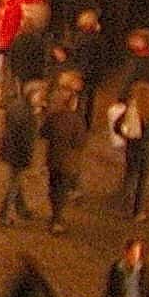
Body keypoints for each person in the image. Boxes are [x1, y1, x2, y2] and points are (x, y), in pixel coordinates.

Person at [116, 80, 149, 220]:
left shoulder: (131, 109)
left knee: (130, 175)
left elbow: (117, 126)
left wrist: (125, 134)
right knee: (143, 180)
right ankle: (138, 211)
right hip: (147, 148)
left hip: (132, 146)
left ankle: (124, 206)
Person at [44, 86, 88, 235]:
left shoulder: (54, 117)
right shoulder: (77, 121)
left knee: (53, 187)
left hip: (52, 159)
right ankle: (57, 219)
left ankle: (54, 213)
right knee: (62, 191)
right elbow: (80, 142)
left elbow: (43, 132)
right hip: (67, 163)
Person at [0, 83, 41, 226]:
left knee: (16, 181)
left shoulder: (16, 106)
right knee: (13, 185)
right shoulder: (27, 114)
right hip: (18, 154)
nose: (41, 98)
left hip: (9, 151)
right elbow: (26, 138)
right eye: (38, 95)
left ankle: (21, 208)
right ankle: (3, 215)